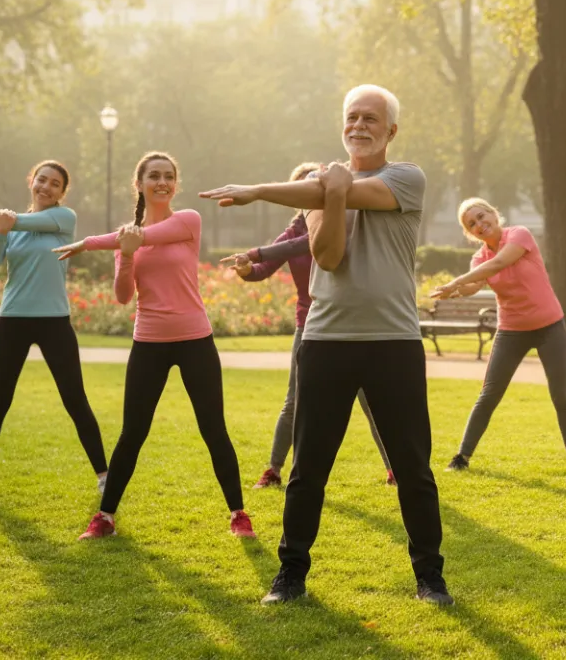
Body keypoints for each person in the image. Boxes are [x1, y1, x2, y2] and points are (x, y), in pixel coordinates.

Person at [199, 84, 452, 607]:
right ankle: (290, 576)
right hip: (325, 340)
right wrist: (325, 192)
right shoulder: (315, 191)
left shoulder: (407, 177)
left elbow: (355, 193)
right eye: (351, 117)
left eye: (370, 119)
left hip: (393, 341)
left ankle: (430, 577)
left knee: (413, 468)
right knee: (308, 467)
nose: (359, 125)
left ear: (391, 130)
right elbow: (330, 256)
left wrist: (284, 188)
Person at [56, 152, 255, 542]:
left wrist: (91, 243)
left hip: (196, 339)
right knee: (133, 433)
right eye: (153, 176)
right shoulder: (125, 240)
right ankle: (106, 517)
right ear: (140, 183)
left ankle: (238, 513)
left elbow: (149, 235)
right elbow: (121, 295)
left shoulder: (188, 222)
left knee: (214, 429)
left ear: (175, 184)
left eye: (168, 177)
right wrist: (125, 254)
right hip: (149, 341)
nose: (161, 182)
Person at [0, 161, 108, 499]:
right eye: (41, 180)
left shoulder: (64, 219)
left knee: (75, 399)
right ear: (31, 180)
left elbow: (17, 220)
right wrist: (0, 233)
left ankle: (104, 477)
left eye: (55, 184)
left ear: (62, 192)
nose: (46, 187)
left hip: (54, 321)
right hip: (13, 320)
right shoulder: (9, 226)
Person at [222, 162, 394, 489]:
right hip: (310, 326)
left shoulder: (344, 222)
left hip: (351, 324)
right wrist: (246, 268)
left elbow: (299, 246)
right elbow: (262, 270)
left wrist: (256, 251)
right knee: (295, 400)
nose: (311, 191)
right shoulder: (291, 231)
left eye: (317, 185)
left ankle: (394, 470)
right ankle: (273, 471)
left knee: (370, 401)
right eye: (304, 187)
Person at [434, 198, 566, 472]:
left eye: (482, 217)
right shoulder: (479, 258)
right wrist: (455, 291)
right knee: (489, 394)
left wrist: (457, 281)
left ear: (494, 213)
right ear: (469, 233)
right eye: (472, 224)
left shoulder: (519, 235)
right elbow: (476, 282)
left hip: (550, 326)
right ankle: (461, 458)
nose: (479, 225)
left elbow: (499, 264)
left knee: (560, 394)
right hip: (511, 331)